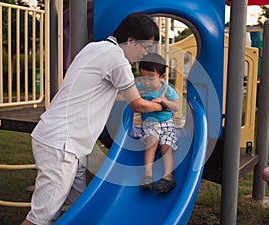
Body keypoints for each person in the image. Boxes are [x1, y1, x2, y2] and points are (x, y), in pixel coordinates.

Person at [21, 12, 166, 225]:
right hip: (63, 144)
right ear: (131, 40)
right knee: (41, 217)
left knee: (76, 207)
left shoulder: (94, 48)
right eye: (145, 47)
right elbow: (137, 104)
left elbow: (105, 91)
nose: (145, 53)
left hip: (64, 141)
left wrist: (141, 96)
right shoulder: (118, 60)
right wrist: (161, 104)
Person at [136, 53, 179, 193]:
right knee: (152, 143)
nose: (146, 82)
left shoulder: (166, 89)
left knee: (166, 147)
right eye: (143, 77)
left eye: (150, 78)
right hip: (150, 123)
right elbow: (126, 96)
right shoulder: (139, 87)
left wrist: (163, 101)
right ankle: (147, 175)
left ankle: (168, 177)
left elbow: (176, 107)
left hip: (166, 123)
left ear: (162, 77)